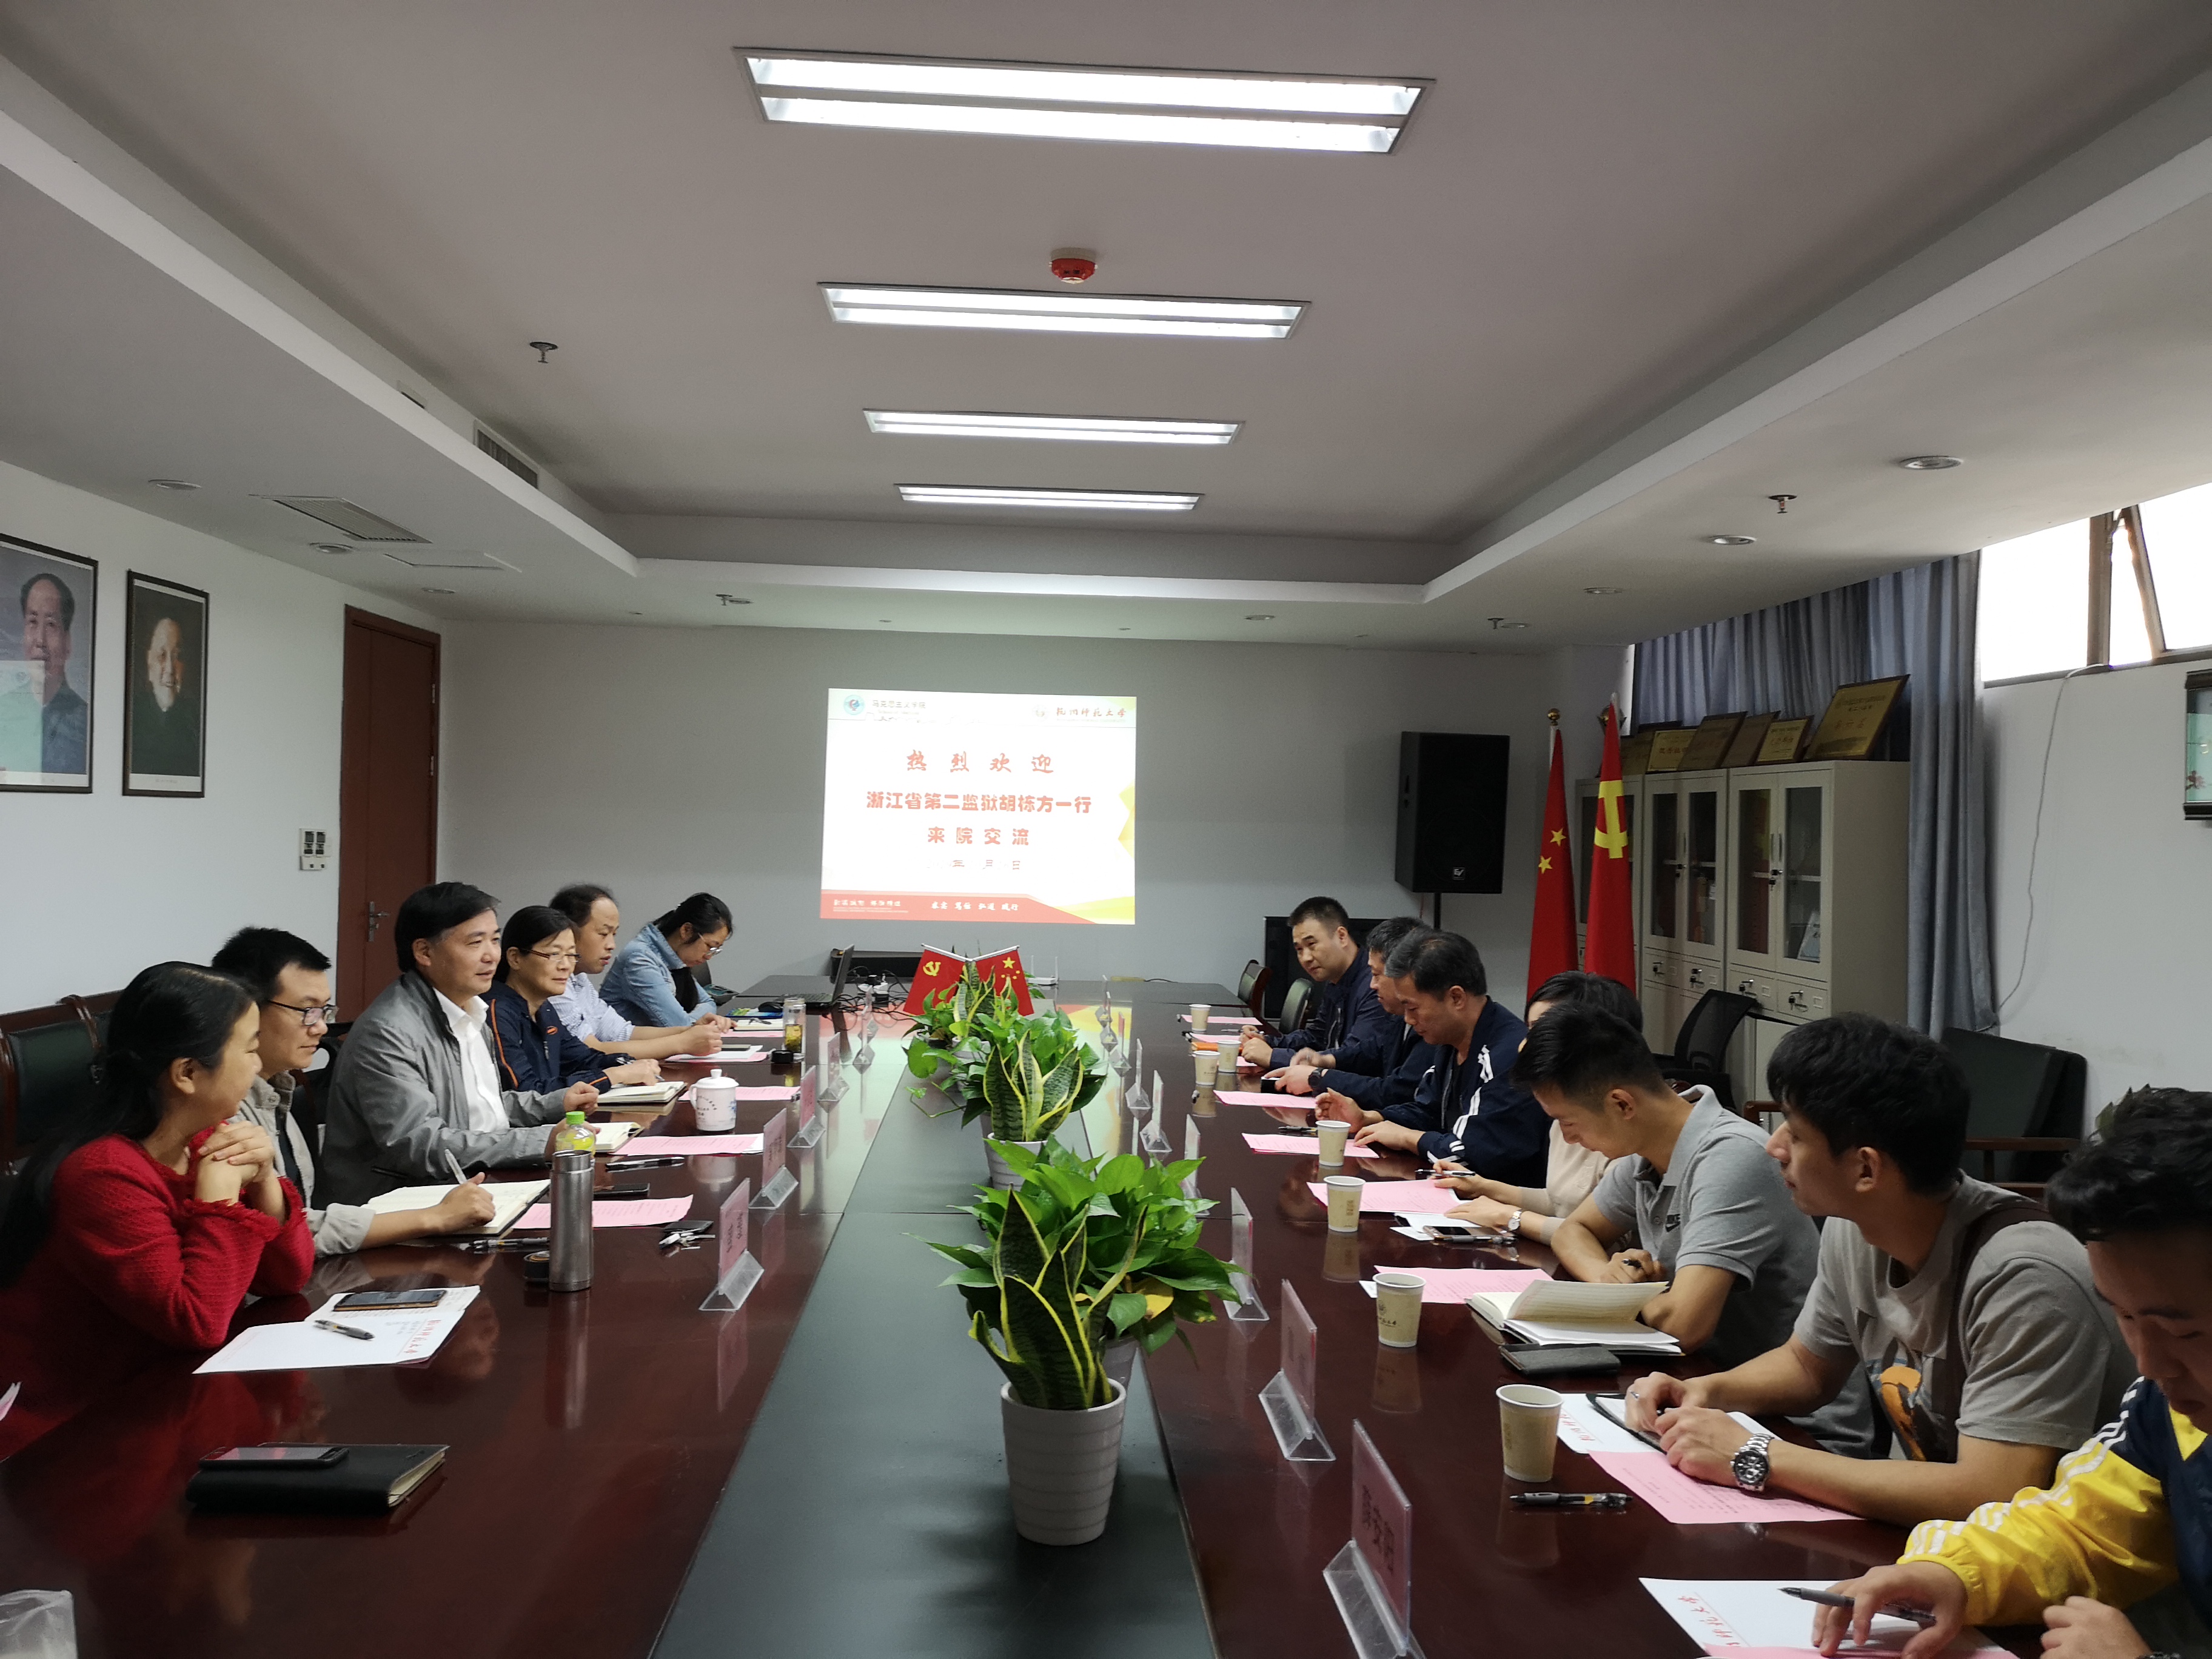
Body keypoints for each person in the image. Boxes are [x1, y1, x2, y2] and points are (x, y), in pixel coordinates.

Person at [1621, 1014, 2131, 1527]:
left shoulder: (2024, 1276)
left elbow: (1991, 1491)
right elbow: (1808, 1367)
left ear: (1866, 1168)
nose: (1774, 1147)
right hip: (1935, 1538)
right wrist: (1708, 1392)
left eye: (1796, 1134)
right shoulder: (1856, 1228)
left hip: (2047, 1558)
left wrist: (1757, 1454)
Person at [1812, 1090, 2212, 1659]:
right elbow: (2083, 1531)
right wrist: (1955, 1574)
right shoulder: (2165, 1410)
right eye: (2125, 1317)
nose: (2150, 1365)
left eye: (2183, 1333)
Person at [1525, 1003, 1871, 1452]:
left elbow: (1684, 1328)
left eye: (1568, 1123)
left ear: (1622, 1104)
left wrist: (1631, 1297)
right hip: (1704, 1392)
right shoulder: (1645, 1152)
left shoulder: (1732, 1157)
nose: (1568, 1138)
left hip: (1795, 1428)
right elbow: (1574, 1231)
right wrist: (1611, 1282)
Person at [0, 962, 311, 1458]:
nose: (257, 1066)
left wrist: (265, 1184)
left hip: (162, 1400)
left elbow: (287, 1278)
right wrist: (219, 1202)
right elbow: (197, 1321)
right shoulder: (102, 1174)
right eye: (250, 1049)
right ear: (187, 1073)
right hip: (67, 1439)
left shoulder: (203, 1142)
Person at [212, 927, 498, 1255]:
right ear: (247, 1010)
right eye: (307, 1011)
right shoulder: (223, 1111)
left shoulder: (278, 1088)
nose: (321, 1027)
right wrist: (434, 1218)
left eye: (325, 1010)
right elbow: (285, 1234)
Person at [320, 882, 598, 1204]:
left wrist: (556, 1103)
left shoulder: (470, 1009)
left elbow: (480, 1108)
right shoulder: (388, 1032)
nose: (491, 956)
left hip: (470, 1183)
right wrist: (540, 1142)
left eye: (495, 940)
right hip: (403, 1206)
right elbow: (420, 1145)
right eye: (475, 943)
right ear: (424, 952)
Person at [1438, 970, 1642, 1244]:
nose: (1523, 1046)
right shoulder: (1563, 1112)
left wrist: (1512, 1217)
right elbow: (1560, 1201)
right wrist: (1482, 1187)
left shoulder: (1624, 1129)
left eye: (1541, 1031)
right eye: (1530, 1031)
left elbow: (1609, 1238)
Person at [1338, 931, 1547, 1187]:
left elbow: (1470, 1155)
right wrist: (1371, 1118)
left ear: (1456, 998)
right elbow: (1428, 1111)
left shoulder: (1508, 1056)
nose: (1408, 1019)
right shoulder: (1451, 1040)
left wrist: (1408, 1138)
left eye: (1413, 1008)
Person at [488, 907, 665, 1094]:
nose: (566, 966)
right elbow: (526, 1093)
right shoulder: (497, 1012)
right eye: (554, 954)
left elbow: (583, 1059)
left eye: (571, 955)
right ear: (515, 958)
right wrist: (613, 1076)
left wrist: (629, 1063)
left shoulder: (545, 1009)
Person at [545, 883, 728, 1060]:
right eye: (603, 934)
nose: (612, 945)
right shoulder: (554, 986)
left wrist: (690, 1030)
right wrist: (683, 1041)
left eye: (614, 935)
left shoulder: (579, 979)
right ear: (569, 932)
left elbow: (621, 1032)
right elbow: (590, 1051)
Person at [1270, 916, 1427, 1104]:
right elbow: (1373, 1050)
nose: (1373, 985)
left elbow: (1396, 1092)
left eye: (1377, 974)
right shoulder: (1399, 1015)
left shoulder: (1431, 1027)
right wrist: (1325, 1061)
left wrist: (1319, 1077)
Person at [1239, 897, 1392, 1073]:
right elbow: (1317, 1037)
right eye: (1299, 949)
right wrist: (1268, 1041)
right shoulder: (1336, 979)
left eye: (1312, 944)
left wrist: (1273, 1057)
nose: (1305, 958)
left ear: (1341, 936)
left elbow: (1356, 1058)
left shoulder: (1375, 985)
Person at [600, 893, 734, 1030]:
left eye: (715, 950)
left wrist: (691, 1022)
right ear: (687, 931)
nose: (709, 957)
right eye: (710, 946)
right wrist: (694, 1023)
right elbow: (678, 1025)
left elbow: (708, 1003)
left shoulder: (675, 959)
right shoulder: (639, 960)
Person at [21, 571, 87, 774]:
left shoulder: (86, 722)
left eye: (51, 625)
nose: (40, 640)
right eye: (33, 622)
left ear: (67, 642)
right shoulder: (4, 710)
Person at [130, 612, 199, 777]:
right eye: (162, 656)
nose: (170, 669)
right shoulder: (133, 715)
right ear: (149, 661)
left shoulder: (196, 719)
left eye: (177, 656)